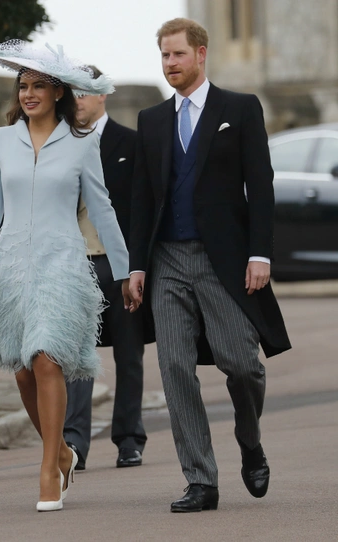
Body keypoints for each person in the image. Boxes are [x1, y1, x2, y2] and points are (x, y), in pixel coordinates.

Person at [125, 18, 291, 513]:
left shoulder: (239, 109)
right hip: (167, 260)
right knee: (174, 366)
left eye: (178, 55)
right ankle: (201, 480)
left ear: (201, 54)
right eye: (164, 56)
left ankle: (250, 439)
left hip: (225, 260)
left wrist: (260, 253)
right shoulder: (152, 120)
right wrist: (137, 266)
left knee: (241, 364)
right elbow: (140, 198)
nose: (170, 64)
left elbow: (260, 186)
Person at [0, 41, 130, 512]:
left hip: (62, 264)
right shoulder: (2, 139)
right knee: (25, 373)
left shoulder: (82, 142)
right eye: (24, 86)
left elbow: (102, 208)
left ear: (59, 93)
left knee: (47, 359)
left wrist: (126, 269)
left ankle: (48, 468)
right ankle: (66, 453)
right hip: (11, 269)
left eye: (39, 86)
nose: (29, 93)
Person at [65, 65, 154, 471]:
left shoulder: (132, 144)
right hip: (72, 264)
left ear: (103, 95)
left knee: (129, 353)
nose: (77, 99)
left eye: (85, 91)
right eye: (72, 92)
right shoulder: (57, 144)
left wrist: (138, 267)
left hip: (120, 267)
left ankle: (129, 438)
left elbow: (142, 210)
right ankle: (74, 444)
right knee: (75, 354)